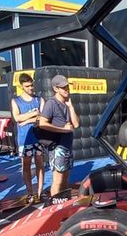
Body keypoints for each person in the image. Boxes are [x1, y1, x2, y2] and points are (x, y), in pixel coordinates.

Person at [39, 74, 79, 199]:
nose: (67, 89)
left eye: (67, 87)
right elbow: (42, 123)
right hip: (58, 147)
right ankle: (54, 205)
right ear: (55, 89)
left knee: (65, 178)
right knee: (58, 180)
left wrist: (71, 106)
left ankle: (64, 202)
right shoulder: (51, 103)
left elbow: (76, 124)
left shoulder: (67, 104)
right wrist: (63, 129)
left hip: (67, 146)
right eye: (63, 87)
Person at [11, 73, 45, 203]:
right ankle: (30, 192)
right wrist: (34, 114)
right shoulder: (16, 101)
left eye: (31, 85)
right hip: (24, 139)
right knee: (26, 166)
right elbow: (17, 118)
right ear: (22, 86)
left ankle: (40, 191)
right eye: (27, 86)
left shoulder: (39, 99)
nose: (30, 88)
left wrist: (27, 120)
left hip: (39, 137)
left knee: (40, 164)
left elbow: (43, 116)